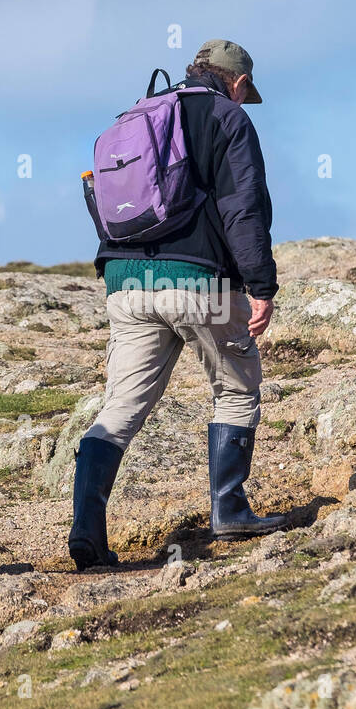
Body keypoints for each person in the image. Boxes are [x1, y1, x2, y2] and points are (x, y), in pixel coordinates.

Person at [70, 39, 286, 570]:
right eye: (244, 91)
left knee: (119, 409)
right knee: (235, 389)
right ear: (236, 83)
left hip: (125, 280)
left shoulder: (138, 114)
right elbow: (242, 207)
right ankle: (230, 510)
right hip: (199, 282)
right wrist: (260, 284)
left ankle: (87, 534)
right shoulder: (227, 117)